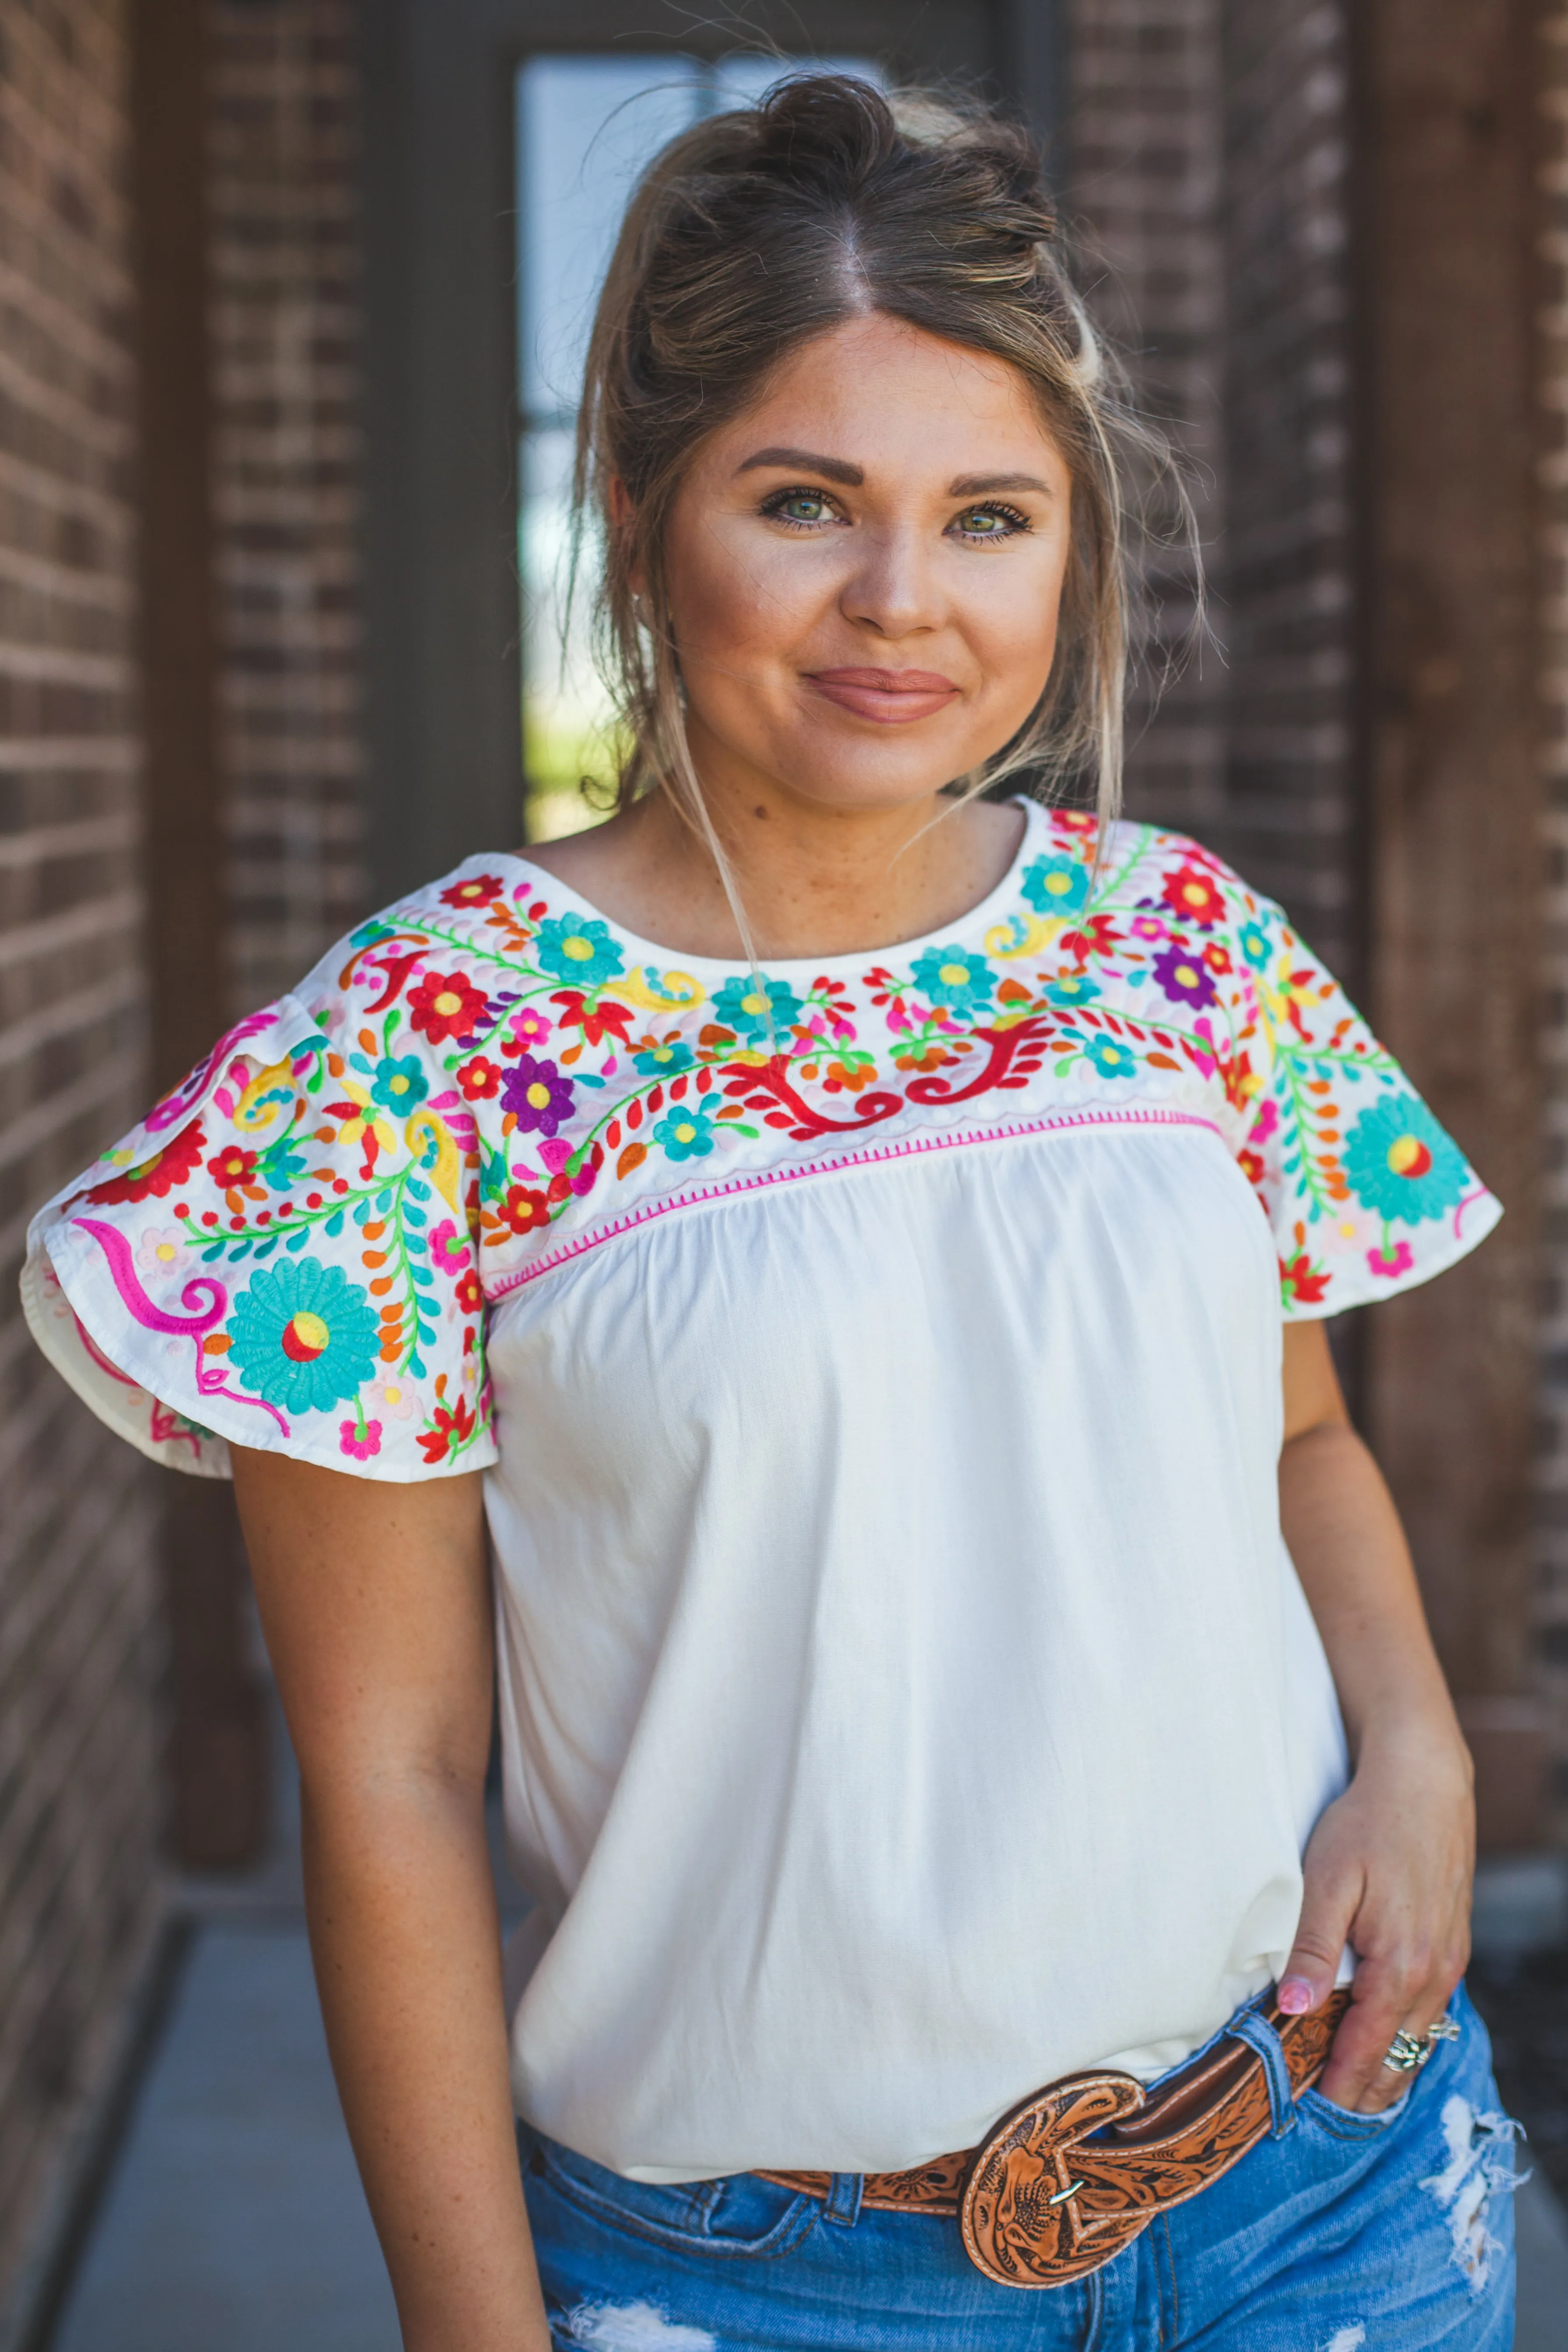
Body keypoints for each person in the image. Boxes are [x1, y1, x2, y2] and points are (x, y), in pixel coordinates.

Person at [24, 75, 1517, 2352]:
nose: (901, 603)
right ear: (640, 519)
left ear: (1067, 549)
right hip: (769, 2280)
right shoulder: (398, 1060)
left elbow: (1296, 1443)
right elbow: (395, 1783)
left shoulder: (1180, 947)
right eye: (804, 499)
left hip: (1321, 2174)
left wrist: (1416, 1747)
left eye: (989, 516)